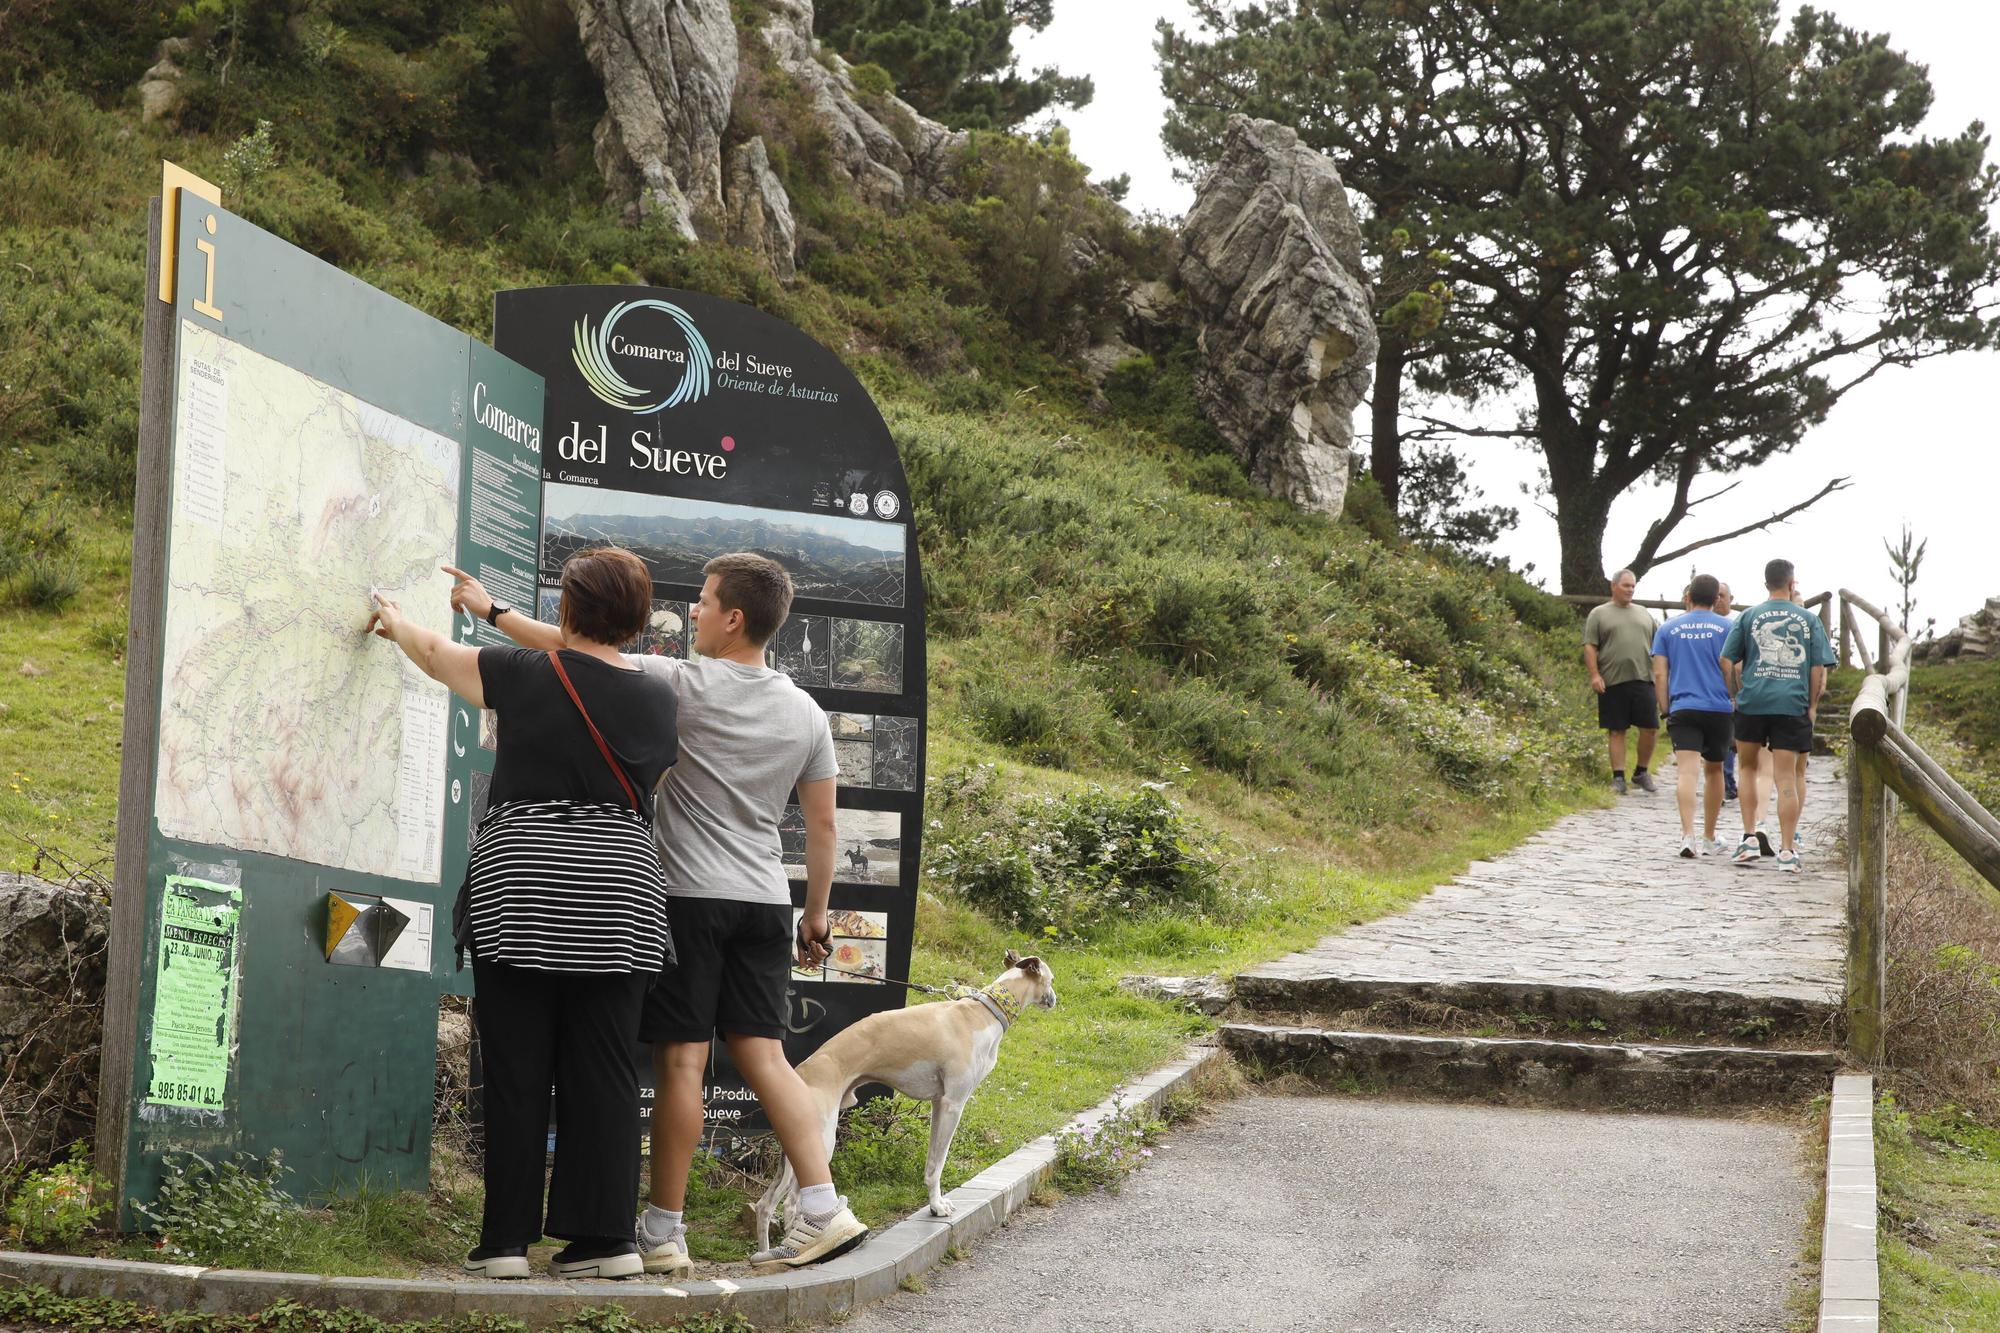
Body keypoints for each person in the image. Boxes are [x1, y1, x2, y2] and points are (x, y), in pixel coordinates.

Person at [451, 553, 868, 1275]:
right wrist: (817, 916)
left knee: (681, 1061)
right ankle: (826, 1207)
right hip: (766, 900)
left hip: (689, 893)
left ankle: (665, 1230)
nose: (695, 613)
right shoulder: (806, 711)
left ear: (734, 617)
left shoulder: (677, 680)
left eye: (704, 602)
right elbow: (825, 829)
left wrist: (491, 614)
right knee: (767, 1058)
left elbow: (574, 653)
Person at [371, 548, 677, 1280]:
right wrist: (499, 613)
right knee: (605, 1070)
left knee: (516, 1066)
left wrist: (394, 621)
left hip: (523, 887)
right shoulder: (661, 695)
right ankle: (607, 1241)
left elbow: (440, 656)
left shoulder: (520, 674)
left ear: (567, 610)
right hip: (620, 893)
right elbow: (605, 691)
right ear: (637, 619)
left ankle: (505, 1242)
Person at [1722, 558, 1837, 872]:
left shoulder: (1747, 616)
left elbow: (1727, 659)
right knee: (1787, 777)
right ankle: (1787, 850)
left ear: (1765, 583)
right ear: (1792, 583)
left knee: (1746, 768)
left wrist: (1734, 693)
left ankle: (1748, 840)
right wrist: (1811, 704)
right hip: (1791, 704)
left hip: (1753, 702)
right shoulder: (1808, 619)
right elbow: (1817, 667)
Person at [1652, 575, 1734, 858]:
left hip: (1683, 706)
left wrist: (1665, 707)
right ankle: (1709, 836)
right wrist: (1734, 698)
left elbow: (1660, 673)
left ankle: (1687, 836)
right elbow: (1731, 669)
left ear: (1688, 597)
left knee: (1686, 771)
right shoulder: (1728, 627)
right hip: (1718, 707)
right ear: (1716, 599)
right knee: (1714, 770)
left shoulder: (1668, 629)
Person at [1584, 569, 1660, 794]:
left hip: (1644, 678)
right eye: (1626, 585)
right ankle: (1618, 777)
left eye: (1633, 586)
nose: (1630, 590)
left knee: (1650, 728)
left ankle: (1641, 772)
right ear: (1614, 586)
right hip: (1612, 680)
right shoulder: (1599, 614)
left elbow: (1658, 647)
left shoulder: (1644, 613)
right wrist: (1595, 675)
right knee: (1617, 730)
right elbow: (1590, 646)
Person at [1714, 582, 1740, 801]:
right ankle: (1724, 783)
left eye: (1723, 595)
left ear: (1731, 598)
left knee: (1730, 741)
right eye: (1716, 595)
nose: (1719, 599)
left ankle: (1728, 781)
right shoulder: (1707, 624)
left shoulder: (1737, 622)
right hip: (1712, 690)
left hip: (1734, 690)